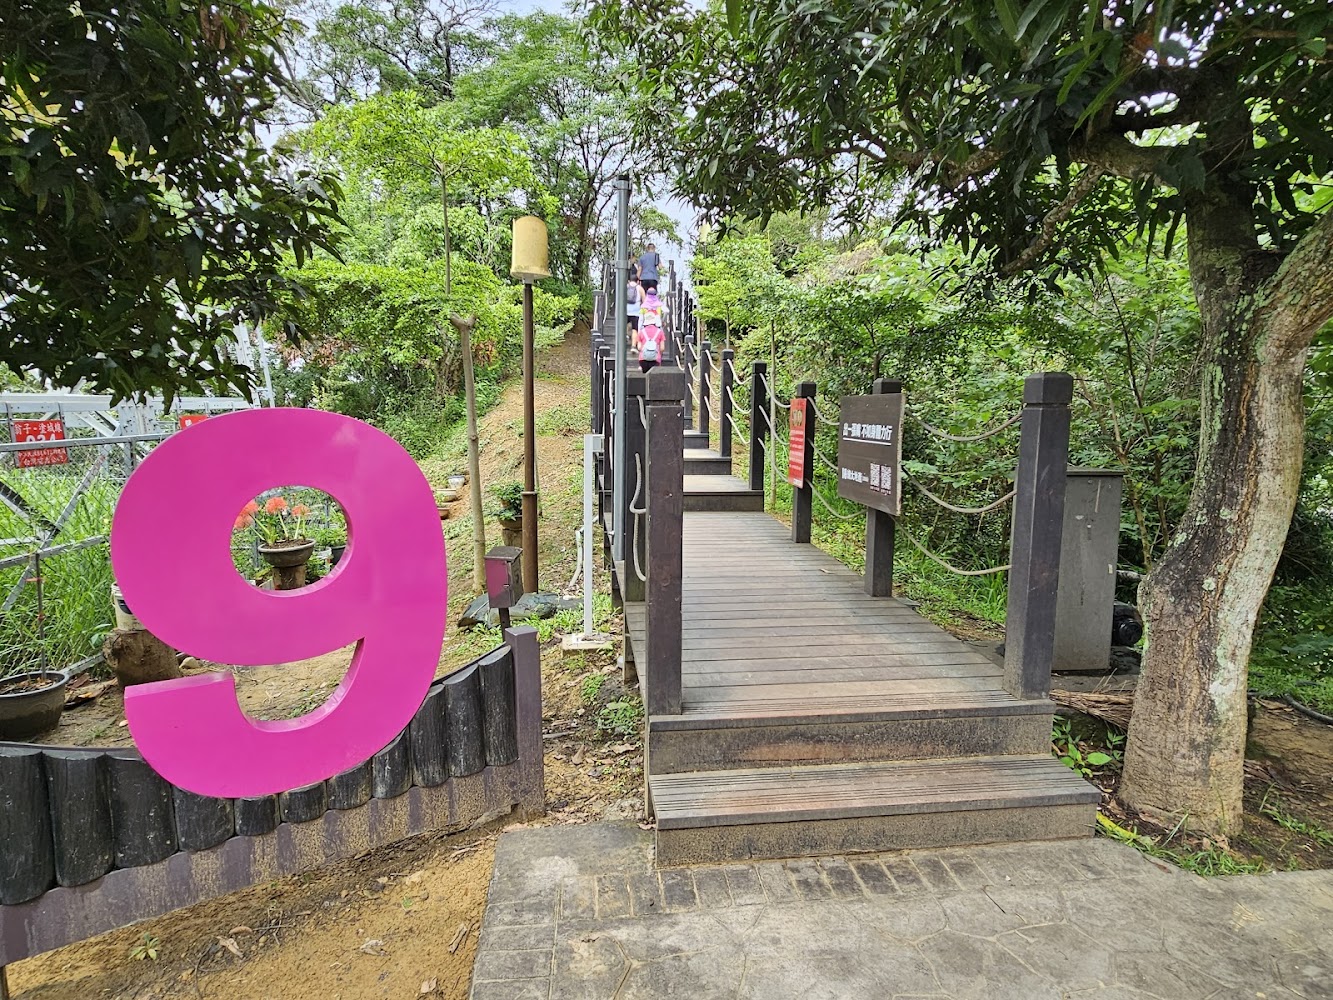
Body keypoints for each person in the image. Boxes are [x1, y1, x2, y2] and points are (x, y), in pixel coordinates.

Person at [638, 286, 667, 372]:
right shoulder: (659, 304)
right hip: (657, 327)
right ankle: (657, 359)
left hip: (645, 327)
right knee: (657, 345)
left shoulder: (644, 306)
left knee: (645, 344)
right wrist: (663, 320)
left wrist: (640, 329)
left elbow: (641, 319)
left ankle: (644, 359)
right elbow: (666, 311)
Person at [625, 275, 642, 353]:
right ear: (638, 281)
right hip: (636, 311)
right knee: (635, 329)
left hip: (625, 310)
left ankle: (625, 337)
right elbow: (644, 300)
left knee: (624, 325)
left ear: (629, 280)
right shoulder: (639, 288)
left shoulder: (625, 287)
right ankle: (633, 346)